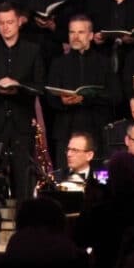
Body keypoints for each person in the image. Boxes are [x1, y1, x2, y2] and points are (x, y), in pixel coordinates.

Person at [0, 3, 45, 201]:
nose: (5, 27)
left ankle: (23, 220)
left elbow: (40, 86)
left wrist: (19, 86)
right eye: (1, 23)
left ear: (19, 22)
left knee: (23, 175)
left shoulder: (32, 51)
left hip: (22, 125)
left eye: (9, 22)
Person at [46, 14, 117, 168]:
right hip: (66, 131)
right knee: (65, 183)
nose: (75, 37)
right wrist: (62, 101)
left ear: (91, 35)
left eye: (81, 32)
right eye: (72, 32)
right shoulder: (58, 63)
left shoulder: (104, 63)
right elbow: (49, 97)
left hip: (96, 130)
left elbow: (115, 95)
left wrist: (87, 98)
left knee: (97, 181)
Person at [13, 0, 69, 92]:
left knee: (51, 105)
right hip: (24, 58)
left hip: (52, 57)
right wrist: (20, 22)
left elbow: (67, 34)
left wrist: (53, 26)